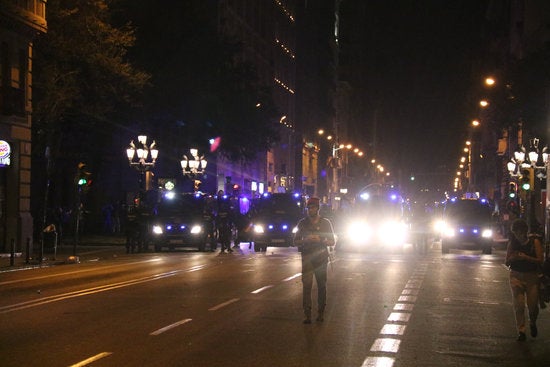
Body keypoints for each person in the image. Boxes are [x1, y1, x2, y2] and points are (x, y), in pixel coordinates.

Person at [293, 197, 336, 324]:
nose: (310, 210)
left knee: (321, 286)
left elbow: (332, 241)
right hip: (307, 258)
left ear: (317, 208)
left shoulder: (325, 223)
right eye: (308, 208)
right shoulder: (302, 223)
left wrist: (320, 240)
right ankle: (307, 314)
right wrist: (305, 240)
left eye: (312, 207)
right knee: (306, 286)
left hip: (321, 258)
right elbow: (295, 241)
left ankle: (321, 312)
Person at [505, 218, 544, 341]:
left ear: (525, 231)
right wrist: (513, 258)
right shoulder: (512, 243)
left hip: (532, 276)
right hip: (516, 275)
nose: (518, 235)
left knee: (532, 306)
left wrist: (526, 257)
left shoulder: (534, 242)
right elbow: (507, 261)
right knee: (519, 305)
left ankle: (532, 322)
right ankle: (521, 331)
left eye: (519, 232)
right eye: (515, 232)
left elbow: (540, 260)